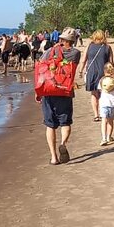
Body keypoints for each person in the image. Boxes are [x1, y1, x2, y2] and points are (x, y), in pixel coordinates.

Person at [34, 28, 81, 165]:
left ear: (61, 39)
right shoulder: (75, 53)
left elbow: (41, 67)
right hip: (65, 91)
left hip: (49, 90)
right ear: (73, 41)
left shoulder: (50, 51)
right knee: (65, 123)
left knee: (50, 125)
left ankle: (54, 157)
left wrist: (38, 92)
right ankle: (63, 143)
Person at [80, 31, 114, 122]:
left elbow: (83, 60)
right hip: (103, 73)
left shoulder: (89, 46)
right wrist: (113, 74)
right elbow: (111, 62)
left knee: (94, 94)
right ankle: (104, 113)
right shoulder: (107, 47)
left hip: (91, 72)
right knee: (104, 94)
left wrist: (80, 70)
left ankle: (96, 115)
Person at [98, 65, 114, 145]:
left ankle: (103, 138)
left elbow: (99, 89)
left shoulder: (102, 81)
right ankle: (109, 137)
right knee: (110, 121)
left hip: (103, 103)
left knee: (104, 121)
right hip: (113, 104)